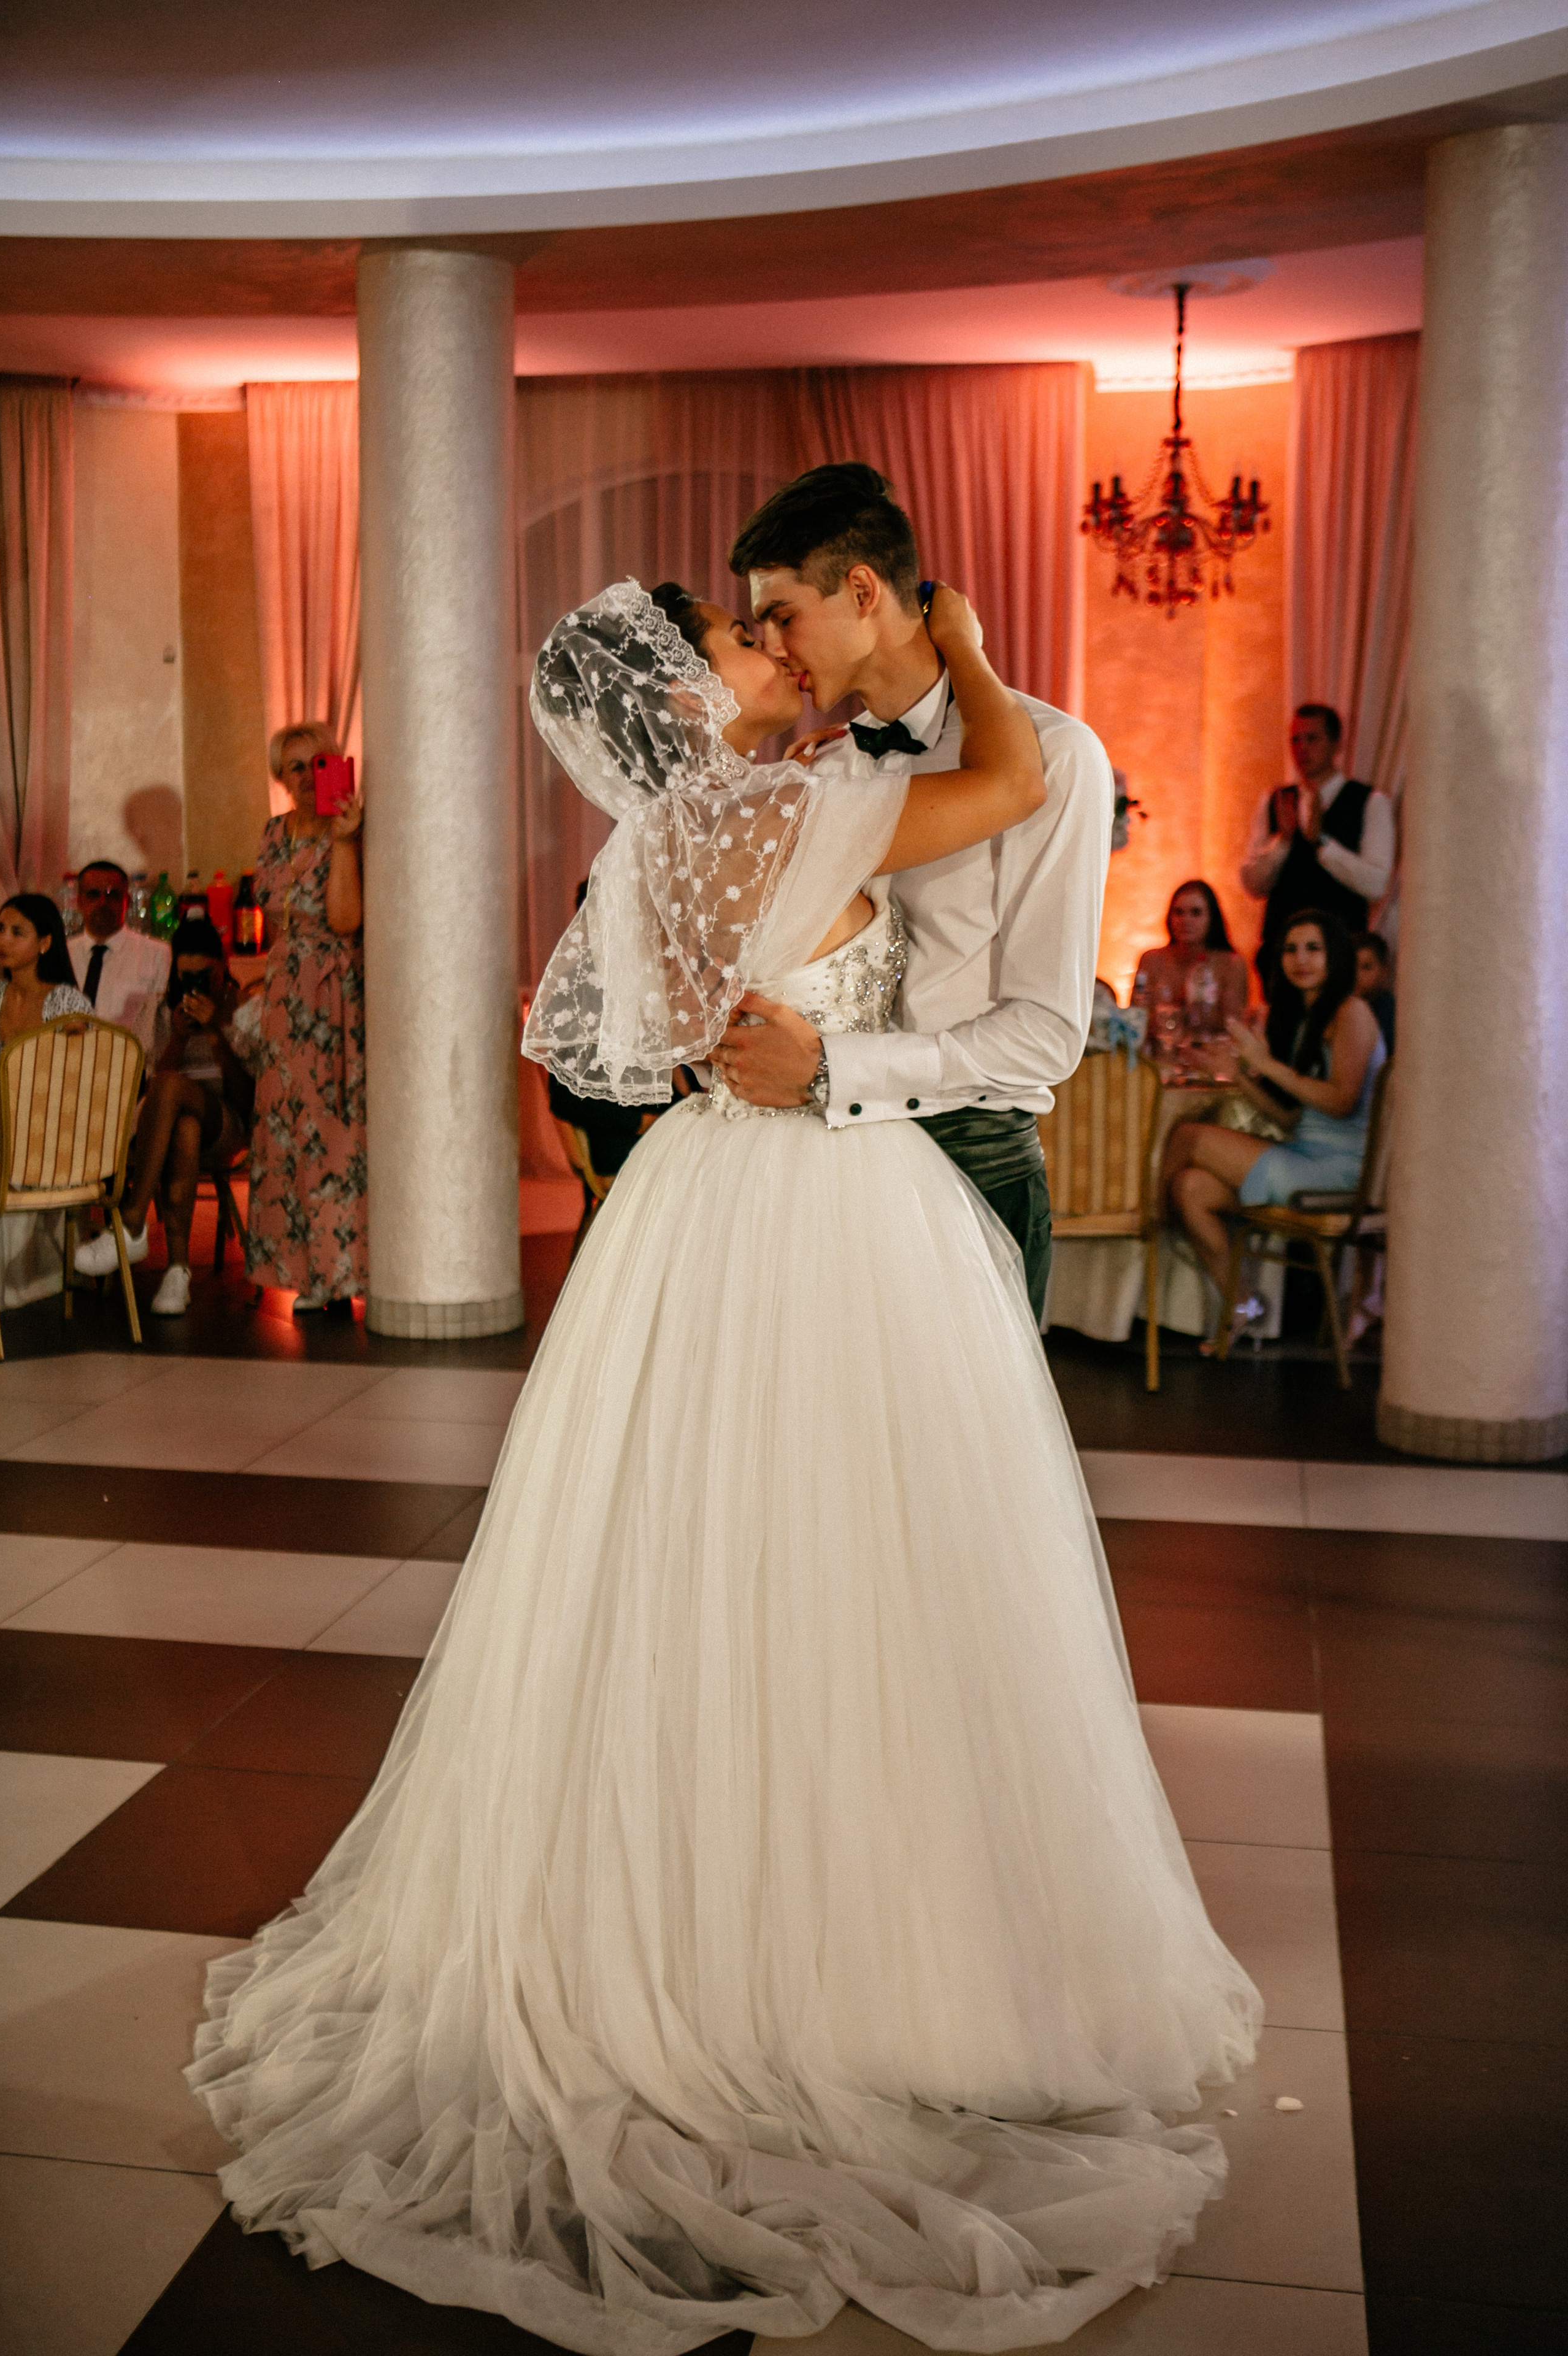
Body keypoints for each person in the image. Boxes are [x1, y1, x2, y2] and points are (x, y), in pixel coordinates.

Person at [189, 577, 1259, 2353]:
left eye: (773, 630)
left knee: (685, 1565)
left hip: (688, 1209)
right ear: (681, 699)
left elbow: (600, 1070)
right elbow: (1008, 784)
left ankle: (685, 1910)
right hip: (833, 1198)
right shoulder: (784, 801)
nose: (775, 656)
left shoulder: (648, 845)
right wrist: (968, 638)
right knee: (867, 1561)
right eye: (743, 647)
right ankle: (855, 1966)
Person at [715, 462, 1112, 1326]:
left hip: (974, 1170)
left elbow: (1046, 1036)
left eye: (784, 618)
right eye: (757, 630)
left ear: (863, 591)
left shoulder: (1056, 757)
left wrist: (833, 1072)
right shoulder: (819, 773)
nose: (775, 649)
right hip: (817, 1173)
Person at [1162, 909, 1385, 1352]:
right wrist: (1241, 1075)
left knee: (1190, 1136)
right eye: (1291, 950)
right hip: (1306, 1153)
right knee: (1191, 1188)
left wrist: (1267, 1066)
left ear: (1334, 956)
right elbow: (1290, 1120)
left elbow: (1341, 1103)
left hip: (1344, 1169)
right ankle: (1243, 1304)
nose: (1301, 959)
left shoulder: (1351, 1011)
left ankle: (1149, 1234)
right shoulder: (1303, 1017)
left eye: (1313, 949)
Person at [72, 920, 255, 1317]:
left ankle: (133, 1220)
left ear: (222, 969)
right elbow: (146, 1087)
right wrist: (176, 1037)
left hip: (224, 1124)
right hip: (169, 1127)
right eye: (184, 975)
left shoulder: (242, 1011)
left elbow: (246, 1098)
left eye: (204, 975)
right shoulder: (158, 1009)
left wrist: (214, 1034)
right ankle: (177, 1271)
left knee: (173, 1087)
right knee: (181, 1125)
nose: (194, 984)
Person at [245, 721, 366, 1315]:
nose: (310, 773)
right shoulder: (274, 833)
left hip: (336, 988)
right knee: (286, 1130)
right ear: (282, 781)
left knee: (335, 1128)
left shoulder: (355, 830)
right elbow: (271, 909)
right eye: (297, 766)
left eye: (321, 761)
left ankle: (340, 1274)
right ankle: (302, 1269)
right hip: (284, 987)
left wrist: (343, 839)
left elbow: (344, 920)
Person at [1240, 704, 1394, 981]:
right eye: (1295, 740)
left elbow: (1376, 883)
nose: (1302, 748)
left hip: (1341, 952)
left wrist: (1322, 843)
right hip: (1281, 952)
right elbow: (1252, 884)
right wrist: (1283, 843)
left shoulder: (1370, 802)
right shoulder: (1275, 801)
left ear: (1336, 744)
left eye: (1313, 739)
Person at [67, 859, 171, 1061]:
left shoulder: (157, 954)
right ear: (79, 901)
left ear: (128, 901)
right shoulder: (63, 954)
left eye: (112, 895)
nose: (102, 903)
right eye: (93, 894)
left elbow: (162, 1028)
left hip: (131, 1065)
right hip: (68, 1064)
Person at [1132, 879, 1250, 1037]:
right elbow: (1136, 1018)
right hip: (1157, 1053)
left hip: (1209, 1054)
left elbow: (1233, 1025)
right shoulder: (1151, 960)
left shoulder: (1231, 964)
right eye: (1178, 912)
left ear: (1212, 918)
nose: (1185, 921)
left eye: (1196, 913)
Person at [0, 895, 94, 1042]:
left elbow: (80, 1059)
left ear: (44, 943)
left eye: (17, 933)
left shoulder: (65, 1002)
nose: (2, 940)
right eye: (0, 929)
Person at [1355, 928, 1397, 1051]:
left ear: (1384, 971)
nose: (1357, 976)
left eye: (1366, 967)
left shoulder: (1391, 1011)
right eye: (1352, 967)